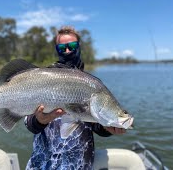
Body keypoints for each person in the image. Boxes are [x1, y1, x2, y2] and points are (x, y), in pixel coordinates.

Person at [24, 26, 126, 170]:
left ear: (79, 47)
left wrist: (108, 127)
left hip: (78, 165)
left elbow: (97, 124)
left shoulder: (92, 84)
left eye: (72, 46)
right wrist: (40, 121)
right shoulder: (42, 78)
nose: (67, 50)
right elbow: (29, 124)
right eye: (62, 47)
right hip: (42, 164)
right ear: (56, 49)